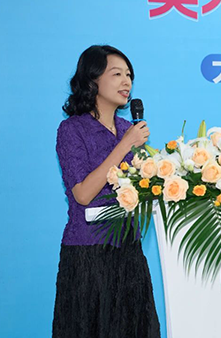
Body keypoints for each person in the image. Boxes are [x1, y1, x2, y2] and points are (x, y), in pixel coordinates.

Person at [52, 45, 161, 338]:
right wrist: (125, 145)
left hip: (129, 251)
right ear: (92, 80)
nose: (126, 82)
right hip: (88, 253)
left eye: (129, 75)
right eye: (117, 74)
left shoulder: (128, 128)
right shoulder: (72, 130)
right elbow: (83, 194)